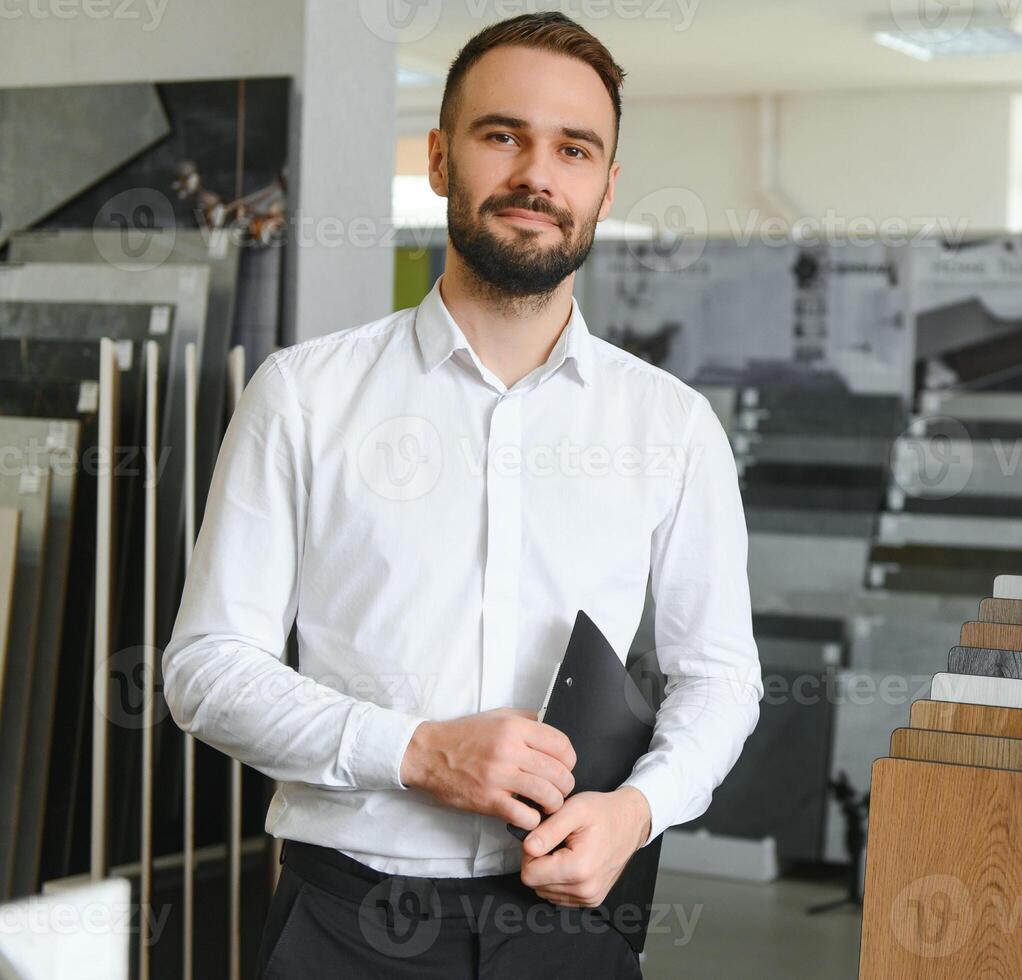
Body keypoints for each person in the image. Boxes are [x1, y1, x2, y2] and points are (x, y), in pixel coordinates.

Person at [161, 12, 762, 978]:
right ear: (440, 158)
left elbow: (721, 678)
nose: (537, 174)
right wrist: (416, 751)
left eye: (573, 149)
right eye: (502, 136)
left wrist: (636, 811)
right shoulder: (305, 395)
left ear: (605, 188)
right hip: (344, 925)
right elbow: (207, 668)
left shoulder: (672, 425)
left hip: (574, 924)